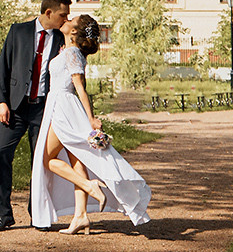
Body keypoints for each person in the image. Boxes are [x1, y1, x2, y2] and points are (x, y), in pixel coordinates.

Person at [32, 14, 151, 233]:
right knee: (77, 160)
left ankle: (90, 186)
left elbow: (80, 87)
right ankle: (81, 216)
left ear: (75, 31)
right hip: (61, 103)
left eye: (71, 20)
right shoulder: (69, 51)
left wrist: (90, 118)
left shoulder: (71, 53)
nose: (66, 20)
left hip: (63, 107)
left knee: (47, 159)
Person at [0, 0, 72, 232]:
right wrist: (1, 101)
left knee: (41, 163)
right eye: (63, 15)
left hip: (43, 109)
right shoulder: (18, 31)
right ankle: (3, 215)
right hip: (14, 108)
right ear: (49, 13)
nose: (66, 19)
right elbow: (4, 66)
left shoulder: (61, 38)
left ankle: (38, 215)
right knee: (2, 156)